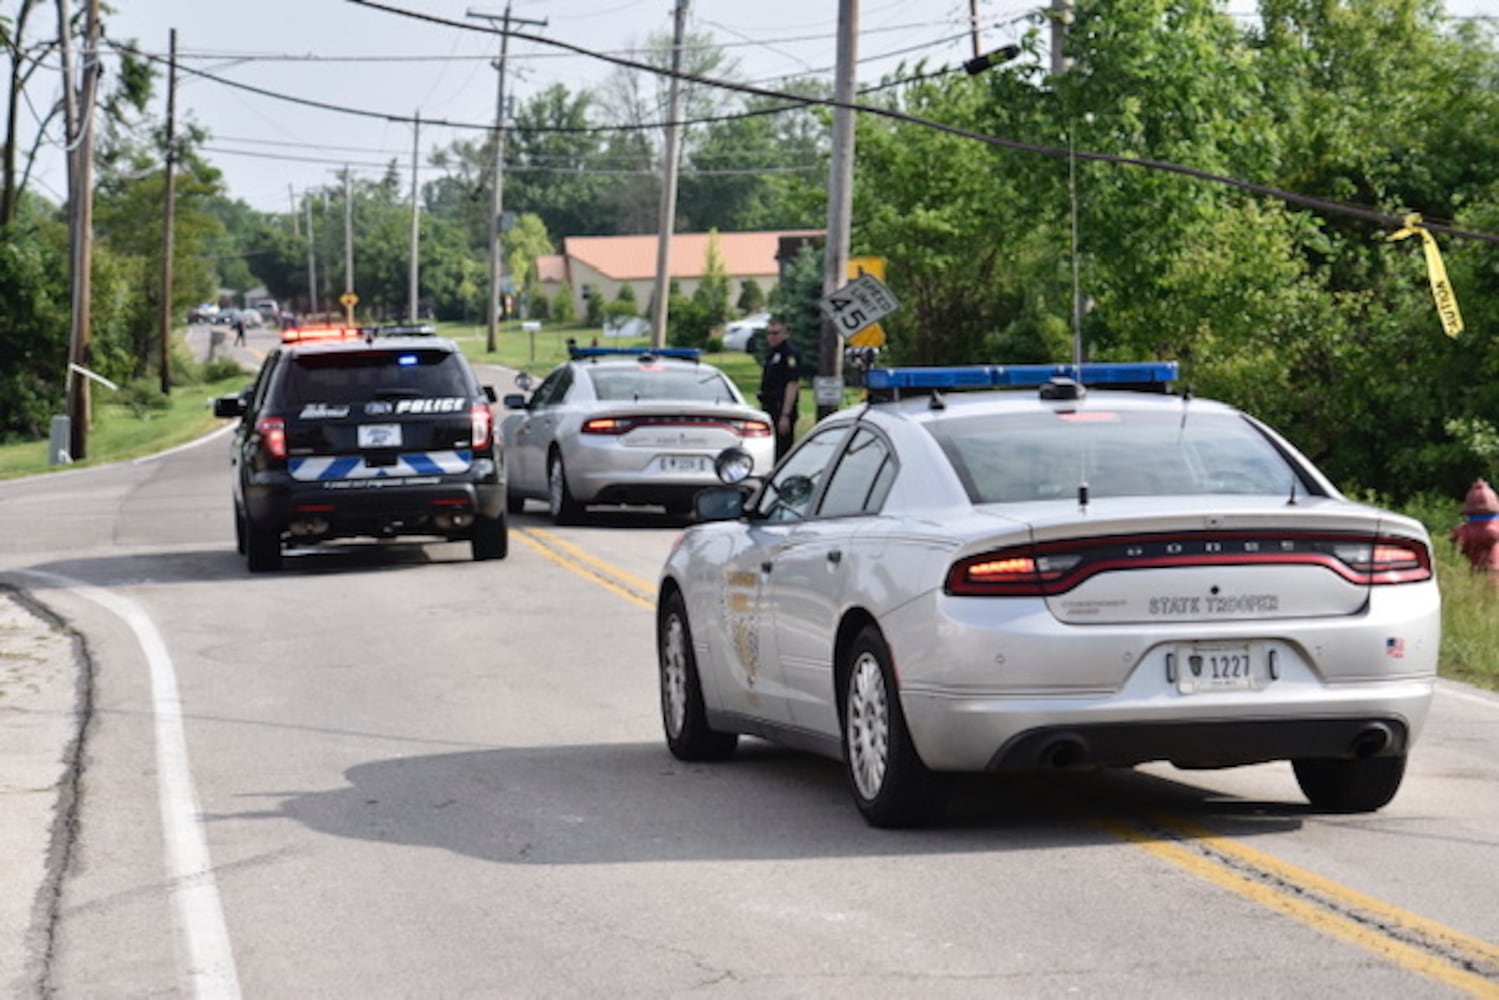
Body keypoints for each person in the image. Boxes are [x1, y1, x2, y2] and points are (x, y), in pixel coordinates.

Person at [758, 316, 802, 461]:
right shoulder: (773, 353)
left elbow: (792, 383)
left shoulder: (788, 354)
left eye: (776, 333)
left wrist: (785, 415)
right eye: (769, 333)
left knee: (781, 452)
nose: (772, 337)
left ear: (785, 333)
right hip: (769, 408)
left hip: (781, 409)